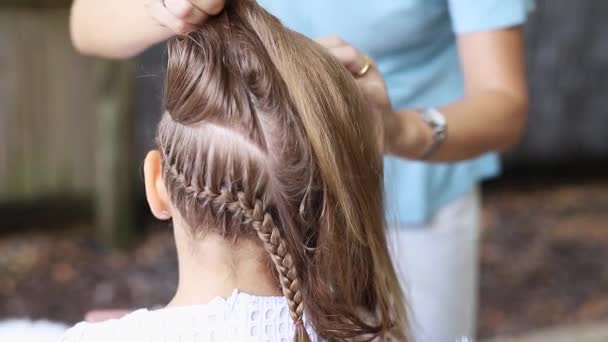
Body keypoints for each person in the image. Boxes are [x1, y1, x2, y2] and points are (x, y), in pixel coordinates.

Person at [70, 0, 532, 340]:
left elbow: (503, 103)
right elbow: (86, 23)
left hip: (415, 200)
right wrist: (164, 8)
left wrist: (396, 130)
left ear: (158, 186)